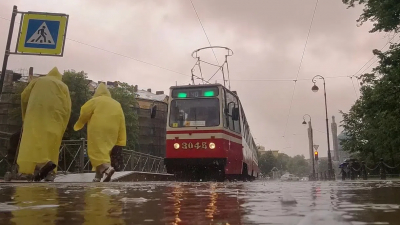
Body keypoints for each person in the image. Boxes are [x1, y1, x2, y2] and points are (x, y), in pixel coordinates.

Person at [17, 67, 71, 182]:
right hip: (56, 120)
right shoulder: (64, 86)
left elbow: (24, 97)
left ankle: (31, 169)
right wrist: (63, 126)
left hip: (36, 116)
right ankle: (49, 172)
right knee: (51, 145)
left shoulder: (37, 81)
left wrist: (25, 115)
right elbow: (68, 108)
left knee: (32, 142)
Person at [74, 83, 126, 182]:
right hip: (113, 130)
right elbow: (122, 121)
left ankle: (107, 168)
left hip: (98, 128)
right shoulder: (117, 104)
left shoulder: (95, 101)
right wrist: (121, 140)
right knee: (105, 152)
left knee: (96, 151)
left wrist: (79, 123)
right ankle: (98, 177)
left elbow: (84, 112)